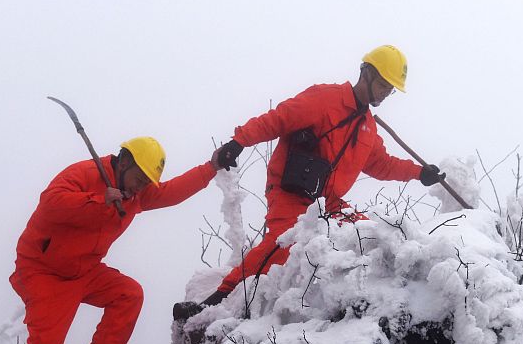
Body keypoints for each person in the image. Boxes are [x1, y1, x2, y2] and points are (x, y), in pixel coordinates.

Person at [179, 45, 444, 316]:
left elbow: (381, 164)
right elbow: (278, 119)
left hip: (328, 202)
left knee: (367, 235)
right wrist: (239, 142)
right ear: (366, 73)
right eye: (384, 85)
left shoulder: (368, 128)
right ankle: (215, 301)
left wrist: (419, 173)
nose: (387, 93)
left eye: (391, 89)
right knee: (283, 244)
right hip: (290, 190)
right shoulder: (325, 99)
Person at [4, 136, 227, 344]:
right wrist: (98, 200)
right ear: (124, 162)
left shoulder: (137, 194)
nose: (141, 187)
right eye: (138, 178)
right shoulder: (84, 173)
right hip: (45, 272)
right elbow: (51, 203)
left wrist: (210, 167)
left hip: (85, 270)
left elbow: (172, 191)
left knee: (128, 294)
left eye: (147, 182)